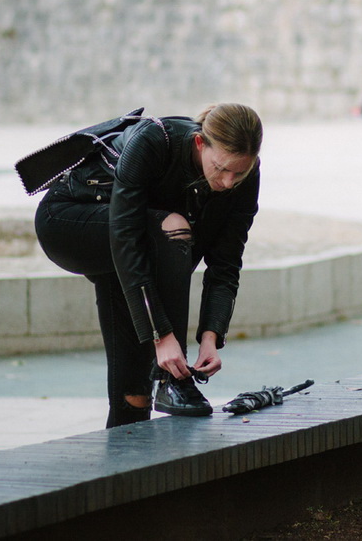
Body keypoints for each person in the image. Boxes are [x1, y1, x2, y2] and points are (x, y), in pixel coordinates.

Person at [31, 103, 263, 428]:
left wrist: (211, 337)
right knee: (173, 228)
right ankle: (173, 381)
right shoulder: (154, 139)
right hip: (69, 222)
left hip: (138, 247)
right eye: (221, 168)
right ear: (200, 143)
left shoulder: (245, 176)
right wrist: (163, 337)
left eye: (239, 172)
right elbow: (125, 236)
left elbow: (226, 265)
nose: (228, 181)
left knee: (133, 396)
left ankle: (126, 447)